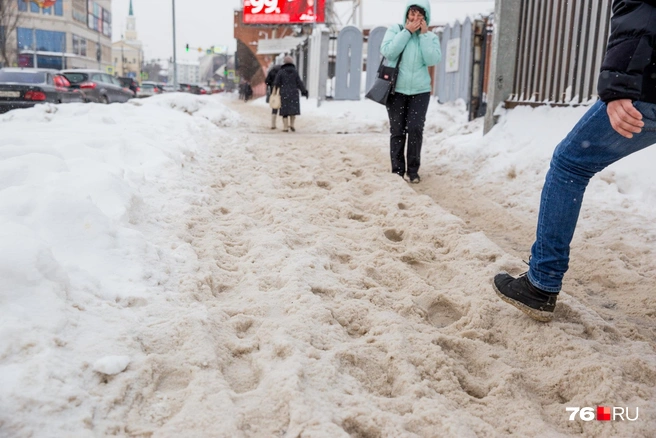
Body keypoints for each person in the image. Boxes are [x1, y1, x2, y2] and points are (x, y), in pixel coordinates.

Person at [493, 0, 656, 322]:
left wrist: (619, 85)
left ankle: (541, 284)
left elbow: (641, 15)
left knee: (570, 164)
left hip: (647, 91)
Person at [380, 0, 441, 184]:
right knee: (397, 131)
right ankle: (397, 171)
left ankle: (413, 171)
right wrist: (407, 32)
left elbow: (432, 60)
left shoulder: (431, 37)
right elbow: (388, 52)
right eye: (412, 14)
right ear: (407, 14)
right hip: (396, 89)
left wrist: (422, 36)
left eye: (419, 15)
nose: (415, 18)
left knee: (415, 129)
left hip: (420, 91)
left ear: (425, 18)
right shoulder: (396, 30)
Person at [273, 56, 308, 133]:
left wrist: (274, 92)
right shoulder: (295, 71)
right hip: (294, 92)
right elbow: (299, 82)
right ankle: (292, 124)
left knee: (285, 110)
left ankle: (285, 127)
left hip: (284, 93)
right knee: (293, 109)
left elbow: (276, 83)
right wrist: (304, 91)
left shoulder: (281, 71)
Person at [265, 63, 282, 129]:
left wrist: (271, 84)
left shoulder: (271, 72)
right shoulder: (282, 72)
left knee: (275, 107)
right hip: (282, 91)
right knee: (283, 107)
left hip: (274, 91)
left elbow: (266, 81)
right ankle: (285, 125)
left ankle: (273, 124)